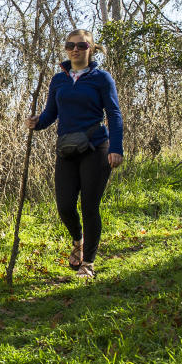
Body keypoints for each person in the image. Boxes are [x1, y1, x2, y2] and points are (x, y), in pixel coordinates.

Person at [24, 30, 124, 278]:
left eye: (81, 45)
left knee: (90, 206)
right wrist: (37, 121)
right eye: (70, 45)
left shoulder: (102, 78)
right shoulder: (59, 79)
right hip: (67, 148)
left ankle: (88, 263)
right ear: (66, 49)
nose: (75, 49)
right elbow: (51, 114)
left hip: (95, 147)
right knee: (65, 205)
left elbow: (114, 114)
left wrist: (116, 148)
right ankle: (78, 240)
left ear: (91, 48)